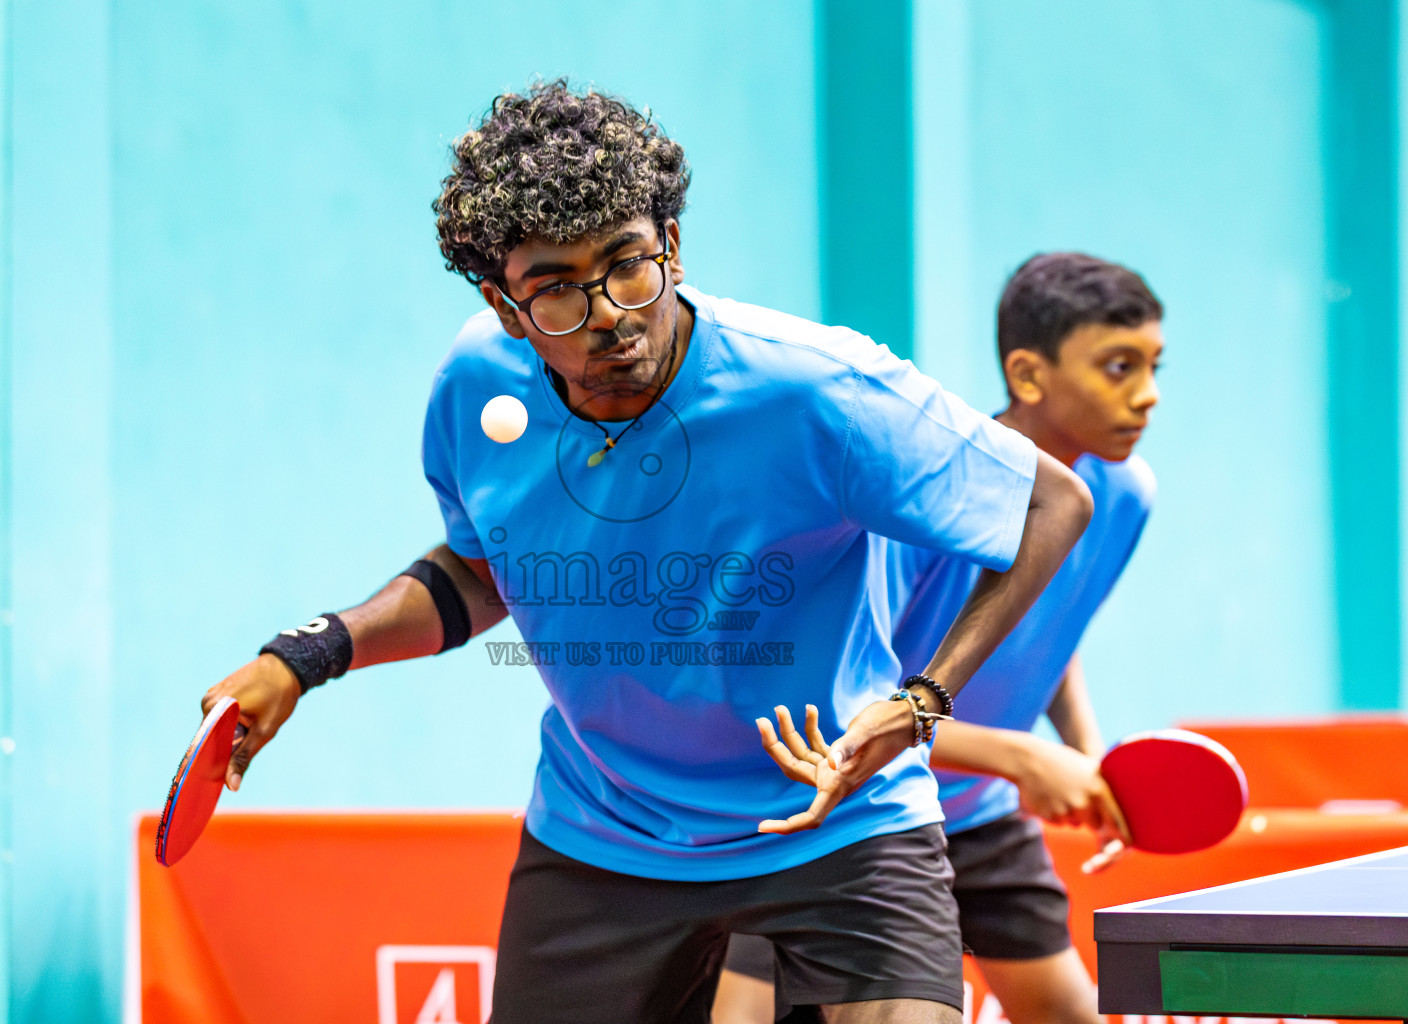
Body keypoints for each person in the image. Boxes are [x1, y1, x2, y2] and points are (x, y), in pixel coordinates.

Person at [200, 82, 1093, 1024]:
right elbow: (480, 575)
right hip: (605, 837)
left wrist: (921, 704)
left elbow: (1049, 502)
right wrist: (307, 656)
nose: (610, 314)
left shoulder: (817, 388)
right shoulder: (475, 384)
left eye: (628, 264)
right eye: (556, 289)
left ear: (670, 246)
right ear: (506, 306)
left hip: (836, 828)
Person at [715, 253, 1162, 1024]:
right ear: (1028, 375)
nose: (1147, 395)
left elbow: (1044, 632)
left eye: (1154, 365)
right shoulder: (933, 504)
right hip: (847, 812)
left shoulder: (1125, 496)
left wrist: (1084, 750)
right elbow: (851, 705)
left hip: (979, 817)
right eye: (1118, 367)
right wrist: (1023, 757)